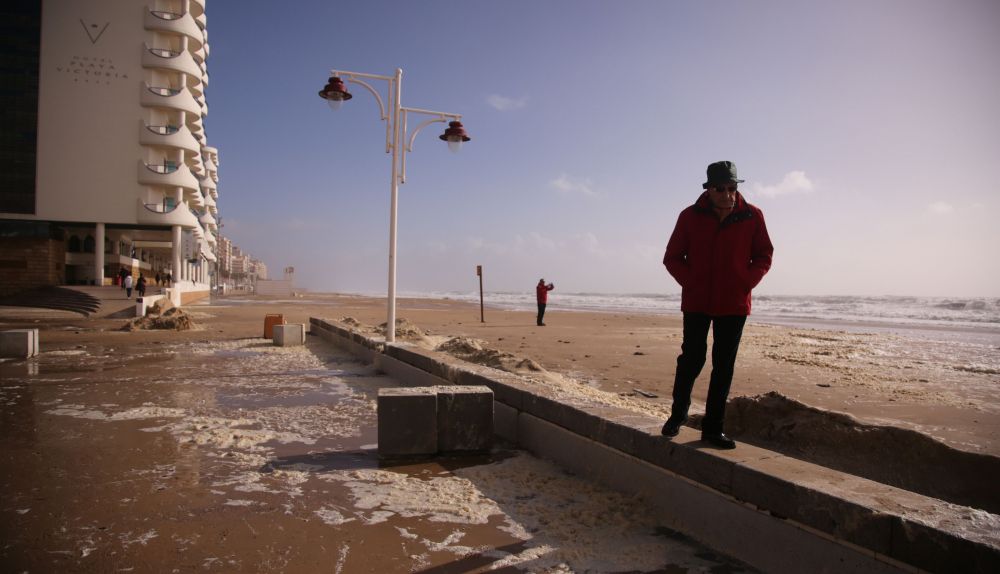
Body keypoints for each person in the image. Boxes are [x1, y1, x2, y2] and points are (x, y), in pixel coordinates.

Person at [660, 161, 773, 449]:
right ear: (708, 189)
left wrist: (747, 281)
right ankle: (678, 415)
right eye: (720, 188)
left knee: (723, 366)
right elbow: (672, 257)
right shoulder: (689, 216)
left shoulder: (752, 216)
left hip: (734, 304)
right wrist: (692, 282)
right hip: (697, 301)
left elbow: (764, 254)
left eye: (732, 188)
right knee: (692, 358)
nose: (727, 194)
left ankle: (713, 430)